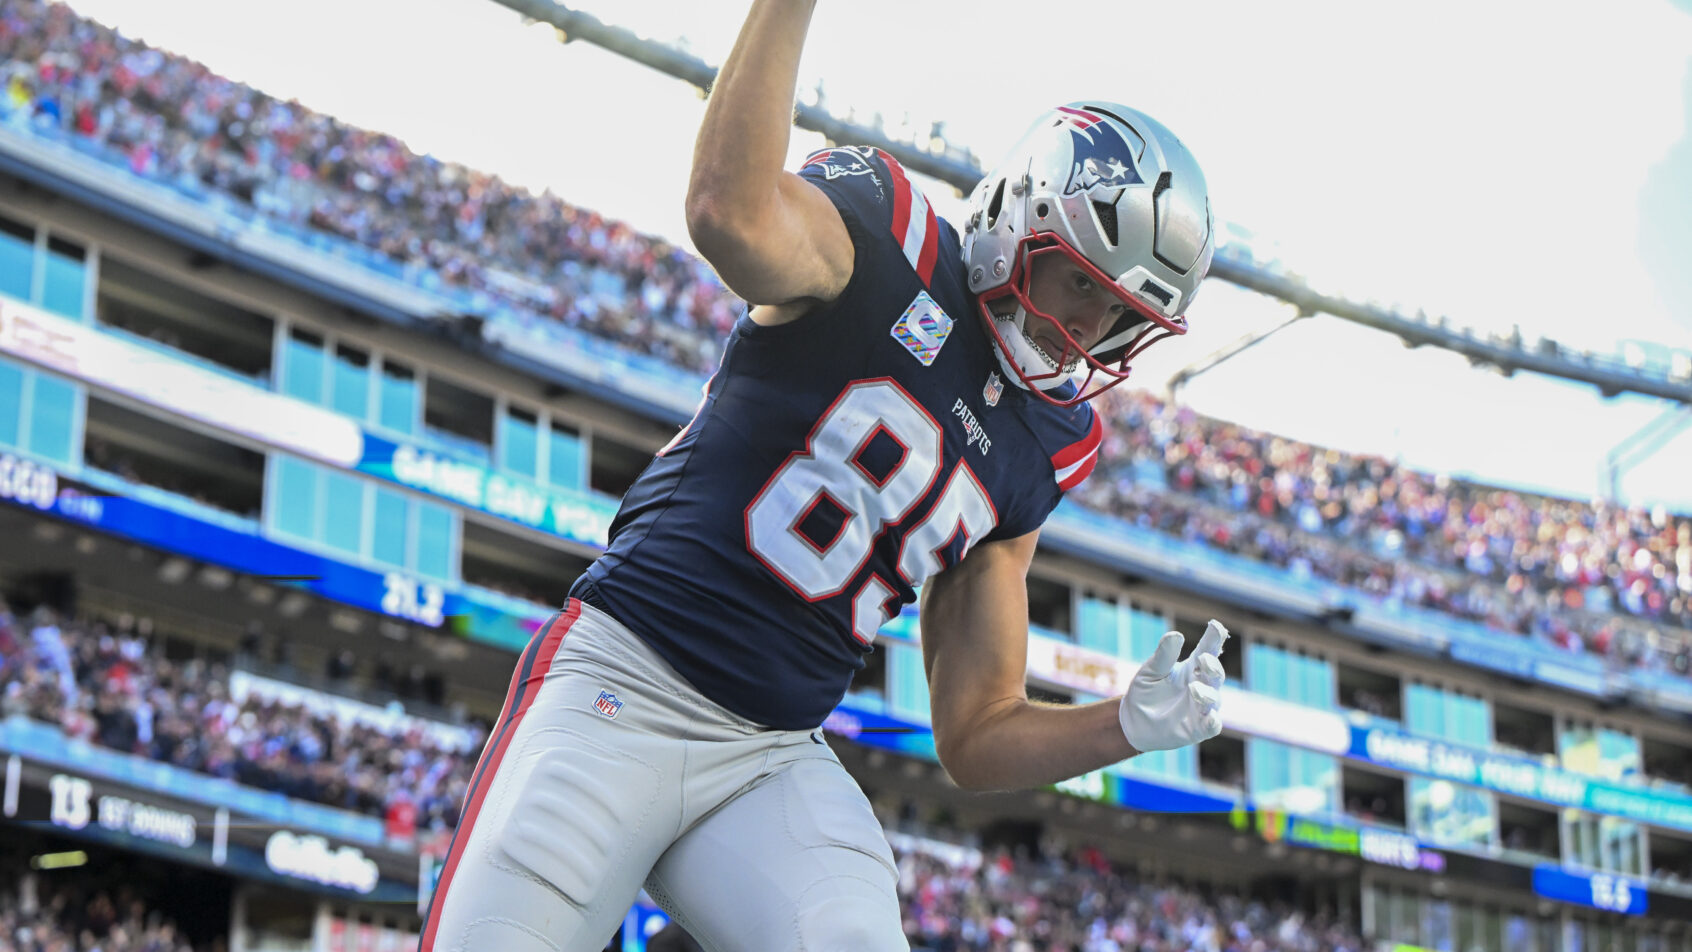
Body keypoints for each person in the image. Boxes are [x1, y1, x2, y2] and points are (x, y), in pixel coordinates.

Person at [419, 2, 1223, 950]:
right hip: (623, 685)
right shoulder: (886, 240)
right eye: (1080, 281)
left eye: (1117, 316)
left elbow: (974, 733)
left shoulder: (1051, 440)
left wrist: (1121, 727)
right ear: (1021, 216)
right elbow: (729, 213)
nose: (1085, 330)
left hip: (767, 759)